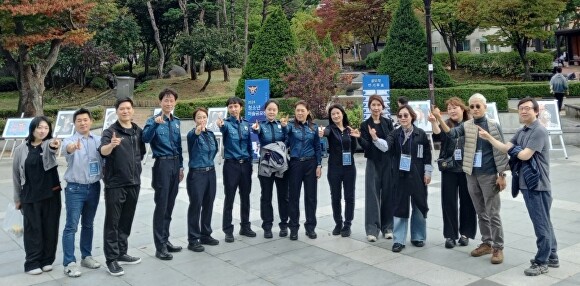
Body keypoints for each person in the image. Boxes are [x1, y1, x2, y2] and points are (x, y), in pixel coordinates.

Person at [477, 97, 559, 276]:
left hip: (537, 185)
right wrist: (489, 137)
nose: (523, 111)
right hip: (528, 184)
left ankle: (541, 261)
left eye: (527, 108)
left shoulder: (539, 131)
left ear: (536, 111)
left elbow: (524, 156)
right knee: (545, 221)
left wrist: (515, 150)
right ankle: (552, 255)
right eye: (521, 108)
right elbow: (505, 147)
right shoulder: (522, 131)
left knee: (541, 225)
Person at [432, 93, 509, 264]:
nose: (474, 109)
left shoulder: (493, 126)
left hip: (488, 174)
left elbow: (502, 151)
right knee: (481, 212)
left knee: (493, 212)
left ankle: (498, 247)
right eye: (472, 106)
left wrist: (502, 175)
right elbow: (451, 134)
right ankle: (487, 242)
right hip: (471, 174)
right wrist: (438, 118)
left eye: (478, 106)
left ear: (484, 107)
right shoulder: (467, 125)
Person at [99, 97, 146, 276]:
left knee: (126, 220)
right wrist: (111, 145)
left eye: (128, 108)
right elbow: (102, 151)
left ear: (132, 110)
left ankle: (121, 252)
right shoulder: (110, 131)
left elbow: (140, 153)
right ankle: (111, 259)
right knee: (112, 222)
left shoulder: (137, 131)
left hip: (134, 182)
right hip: (115, 184)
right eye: (121, 109)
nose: (125, 111)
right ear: (117, 111)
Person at [12, 116, 62, 275]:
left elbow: (53, 148)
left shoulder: (48, 144)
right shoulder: (21, 149)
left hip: (51, 194)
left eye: (46, 128)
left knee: (50, 227)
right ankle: (32, 262)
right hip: (30, 196)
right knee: (33, 229)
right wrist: (17, 198)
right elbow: (15, 176)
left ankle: (47, 260)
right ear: (32, 129)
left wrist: (55, 145)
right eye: (39, 127)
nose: (42, 131)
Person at [381, 105, 432, 252]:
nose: (403, 118)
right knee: (400, 207)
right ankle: (399, 240)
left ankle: (418, 237)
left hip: (417, 175)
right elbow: (386, 146)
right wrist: (376, 139)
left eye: (406, 115)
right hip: (400, 176)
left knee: (419, 205)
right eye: (400, 116)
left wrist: (427, 173)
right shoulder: (394, 134)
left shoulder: (420, 134)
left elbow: (427, 155)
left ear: (412, 116)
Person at [428, 98, 476, 249]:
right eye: (449, 108)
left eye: (455, 107)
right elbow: (438, 134)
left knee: (467, 202)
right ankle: (450, 235)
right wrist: (435, 121)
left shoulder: (471, 124)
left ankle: (465, 233)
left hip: (467, 168)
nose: (452, 110)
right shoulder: (446, 124)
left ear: (463, 109)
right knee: (448, 202)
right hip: (449, 168)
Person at [61, 109, 104, 277]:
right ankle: (69, 262)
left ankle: (86, 256)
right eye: (79, 120)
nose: (83, 123)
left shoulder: (98, 140)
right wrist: (73, 147)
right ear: (75, 123)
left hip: (93, 187)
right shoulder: (69, 140)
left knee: (88, 224)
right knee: (71, 226)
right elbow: (68, 150)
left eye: (85, 120)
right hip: (75, 189)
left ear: (91, 121)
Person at [142, 88, 184, 260]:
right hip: (162, 164)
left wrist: (181, 166)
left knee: (170, 205)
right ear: (160, 102)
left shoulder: (176, 121)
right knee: (161, 206)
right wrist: (155, 125)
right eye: (165, 100)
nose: (168, 103)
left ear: (175, 102)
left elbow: (180, 146)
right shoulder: (152, 120)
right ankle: (160, 247)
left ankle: (166, 241)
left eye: (171, 100)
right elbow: (145, 138)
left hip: (175, 164)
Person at [216, 97, 255, 242]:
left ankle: (245, 226)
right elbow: (222, 127)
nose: (233, 109)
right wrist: (220, 124)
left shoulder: (246, 124)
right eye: (231, 107)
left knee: (245, 197)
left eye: (236, 106)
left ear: (241, 108)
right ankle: (228, 230)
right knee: (230, 197)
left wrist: (250, 162)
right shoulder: (226, 124)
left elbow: (250, 145)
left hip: (245, 164)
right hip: (231, 165)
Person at [251, 99, 290, 238]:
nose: (272, 112)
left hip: (281, 166)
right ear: (265, 111)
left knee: (283, 196)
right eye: (269, 109)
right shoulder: (261, 125)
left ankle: (284, 225)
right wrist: (255, 129)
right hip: (266, 166)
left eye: (274, 109)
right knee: (266, 196)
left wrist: (285, 128)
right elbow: (256, 130)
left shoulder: (282, 125)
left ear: (277, 111)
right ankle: (267, 226)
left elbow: (288, 140)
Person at [359, 95, 395, 242]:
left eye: (378, 105)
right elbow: (366, 146)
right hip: (373, 162)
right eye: (373, 105)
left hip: (388, 162)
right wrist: (359, 138)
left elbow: (391, 142)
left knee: (388, 194)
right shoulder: (365, 125)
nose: (376, 108)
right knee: (372, 196)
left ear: (382, 107)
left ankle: (388, 228)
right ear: (369, 107)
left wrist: (376, 138)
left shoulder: (388, 123)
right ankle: (372, 229)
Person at [322, 104, 360, 237]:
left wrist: (356, 137)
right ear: (331, 117)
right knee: (335, 196)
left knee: (349, 196)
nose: (336, 116)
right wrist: (321, 133)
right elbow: (325, 132)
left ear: (343, 114)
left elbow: (354, 148)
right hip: (334, 168)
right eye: (333, 114)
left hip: (349, 168)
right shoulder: (330, 129)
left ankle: (347, 224)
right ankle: (338, 223)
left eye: (338, 113)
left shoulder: (349, 130)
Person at [286, 100, 322, 240]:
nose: (300, 113)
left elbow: (318, 148)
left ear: (308, 112)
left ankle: (310, 227)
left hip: (311, 164)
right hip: (295, 164)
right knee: (293, 197)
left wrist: (319, 165)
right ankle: (293, 228)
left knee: (311, 197)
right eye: (297, 111)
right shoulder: (290, 127)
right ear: (295, 113)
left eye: (302, 110)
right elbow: (284, 143)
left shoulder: (313, 127)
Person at [186, 108, 220, 252]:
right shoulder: (192, 134)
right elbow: (193, 137)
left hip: (210, 173)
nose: (202, 120)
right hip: (197, 174)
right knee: (196, 205)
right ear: (195, 120)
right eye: (199, 117)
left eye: (204, 117)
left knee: (208, 204)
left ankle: (205, 234)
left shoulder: (211, 134)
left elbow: (215, 150)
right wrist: (197, 132)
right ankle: (193, 239)